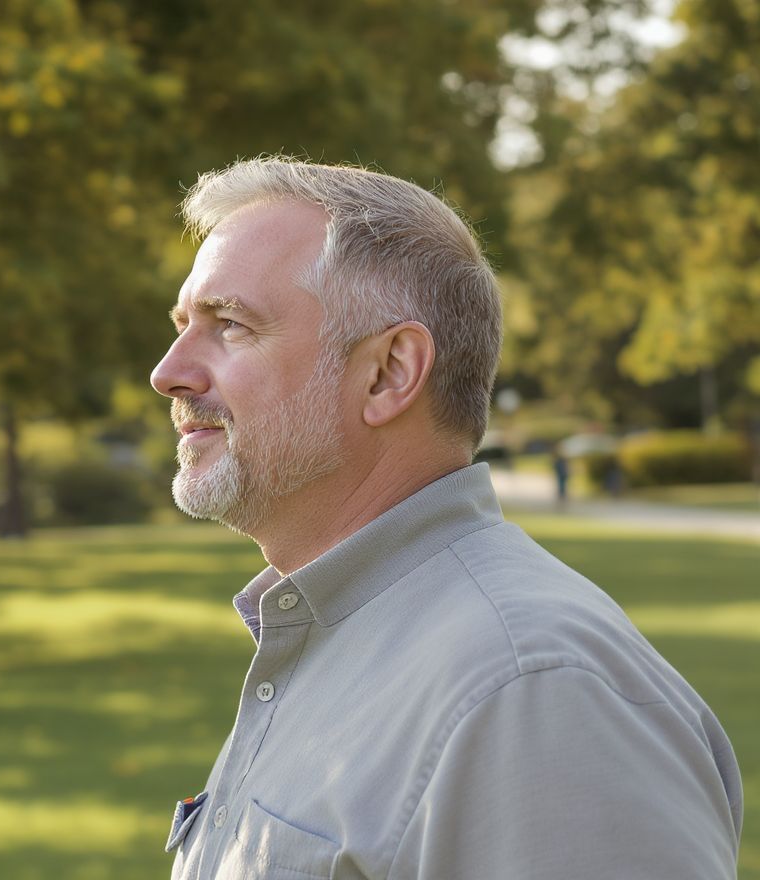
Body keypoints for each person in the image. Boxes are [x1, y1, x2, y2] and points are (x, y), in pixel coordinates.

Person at [149, 158, 742, 879]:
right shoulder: (337, 632)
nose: (169, 371)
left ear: (390, 372)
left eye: (231, 324)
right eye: (184, 325)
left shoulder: (534, 695)